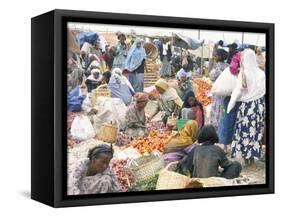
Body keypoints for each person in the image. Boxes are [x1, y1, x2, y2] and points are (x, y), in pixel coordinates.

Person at [230, 49, 266, 169]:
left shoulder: (244, 74)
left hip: (247, 107)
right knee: (255, 131)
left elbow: (237, 90)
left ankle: (246, 158)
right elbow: (263, 91)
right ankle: (252, 159)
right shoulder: (261, 74)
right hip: (259, 106)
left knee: (245, 131)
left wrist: (231, 103)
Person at [209, 49, 229, 132]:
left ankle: (216, 129)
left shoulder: (217, 67)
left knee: (217, 108)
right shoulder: (228, 66)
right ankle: (223, 128)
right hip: (226, 92)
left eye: (216, 55)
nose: (214, 57)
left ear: (220, 56)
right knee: (223, 108)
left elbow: (212, 77)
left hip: (218, 91)